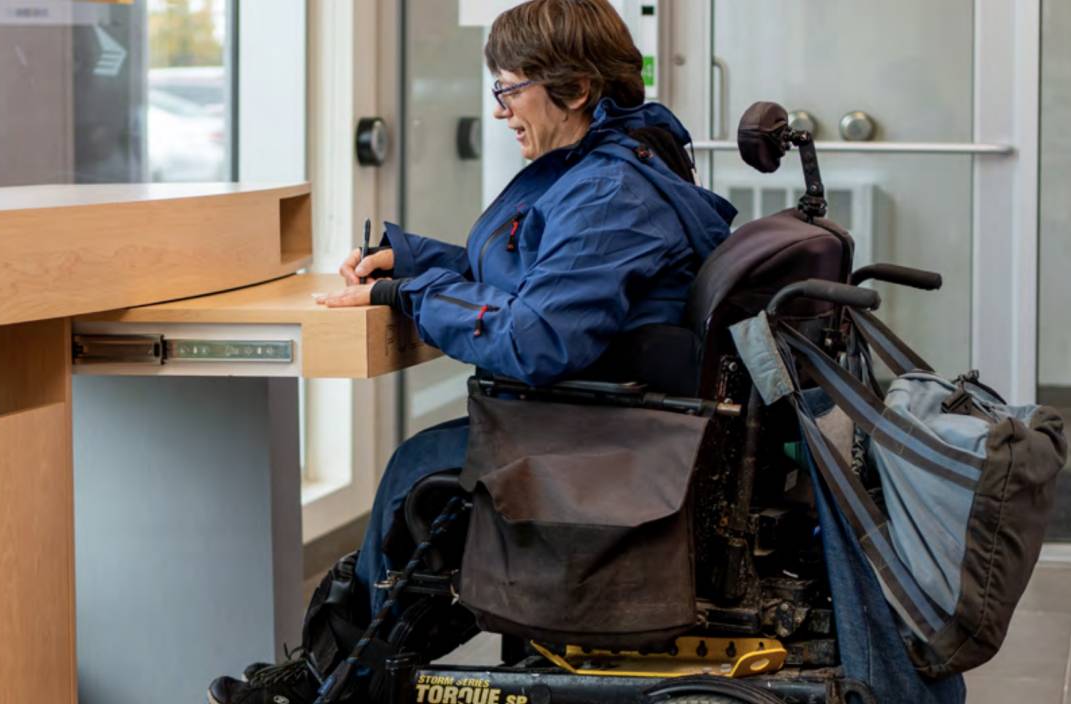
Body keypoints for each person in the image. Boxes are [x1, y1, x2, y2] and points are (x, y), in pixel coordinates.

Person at [208, 2, 736, 702]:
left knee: (422, 470)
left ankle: (337, 681)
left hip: (602, 431)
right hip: (607, 415)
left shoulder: (608, 192)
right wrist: (417, 261)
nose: (499, 112)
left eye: (510, 91)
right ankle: (330, 668)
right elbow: (539, 276)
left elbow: (536, 337)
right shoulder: (614, 162)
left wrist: (411, 296)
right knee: (421, 467)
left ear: (574, 90)